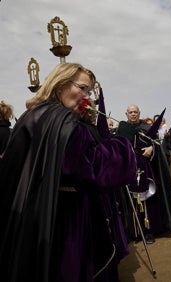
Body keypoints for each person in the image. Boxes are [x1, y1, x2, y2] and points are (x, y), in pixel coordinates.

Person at [0, 62, 138, 281]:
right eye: (82, 88)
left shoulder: (33, 115)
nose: (86, 96)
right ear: (60, 83)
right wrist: (122, 147)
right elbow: (91, 169)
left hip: (35, 217)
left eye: (89, 91)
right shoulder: (63, 120)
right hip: (67, 220)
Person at [117, 104, 171, 244]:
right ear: (126, 114)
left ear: (139, 113)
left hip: (145, 171)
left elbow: (158, 146)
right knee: (131, 203)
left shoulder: (146, 128)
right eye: (130, 112)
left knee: (148, 202)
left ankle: (148, 231)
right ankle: (134, 232)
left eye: (135, 112)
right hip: (129, 173)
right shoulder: (121, 129)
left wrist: (152, 148)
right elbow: (116, 149)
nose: (133, 114)